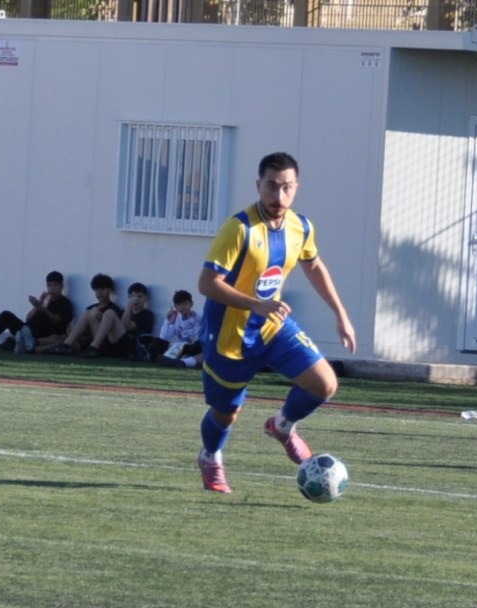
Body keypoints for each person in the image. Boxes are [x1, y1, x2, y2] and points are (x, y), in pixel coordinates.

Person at [195, 152, 357, 494]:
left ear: (297, 188)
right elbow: (207, 284)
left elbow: (314, 266)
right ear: (258, 185)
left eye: (286, 188)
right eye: (271, 186)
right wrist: (256, 304)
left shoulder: (301, 227)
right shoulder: (239, 229)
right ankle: (210, 456)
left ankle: (282, 426)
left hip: (273, 327)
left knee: (325, 384)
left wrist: (341, 315)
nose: (278, 196)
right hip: (229, 337)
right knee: (226, 413)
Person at [0, 270, 75, 353]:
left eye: (55, 285)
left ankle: (16, 340)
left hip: (45, 334)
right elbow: (28, 318)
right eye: (49, 286)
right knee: (6, 315)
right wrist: (37, 305)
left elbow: (56, 321)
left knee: (33, 326)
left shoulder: (65, 303)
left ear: (61, 287)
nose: (52, 289)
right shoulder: (46, 301)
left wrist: (42, 309)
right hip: (28, 329)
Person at [43, 273, 129, 358]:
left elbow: (116, 331)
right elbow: (86, 332)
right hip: (95, 342)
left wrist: (101, 317)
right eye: (97, 289)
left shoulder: (114, 309)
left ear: (109, 290)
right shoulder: (90, 308)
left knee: (107, 313)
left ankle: (93, 347)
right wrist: (73, 329)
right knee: (88, 313)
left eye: (102, 289)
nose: (99, 292)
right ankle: (66, 345)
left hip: (111, 343)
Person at [151, 289, 204, 368]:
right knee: (157, 342)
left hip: (195, 347)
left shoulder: (198, 315)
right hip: (182, 347)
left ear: (191, 304)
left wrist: (194, 316)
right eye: (179, 304)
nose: (182, 307)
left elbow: (202, 320)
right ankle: (167, 359)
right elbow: (164, 337)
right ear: (175, 307)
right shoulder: (175, 319)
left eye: (185, 303)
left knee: (199, 345)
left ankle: (174, 359)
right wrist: (167, 321)